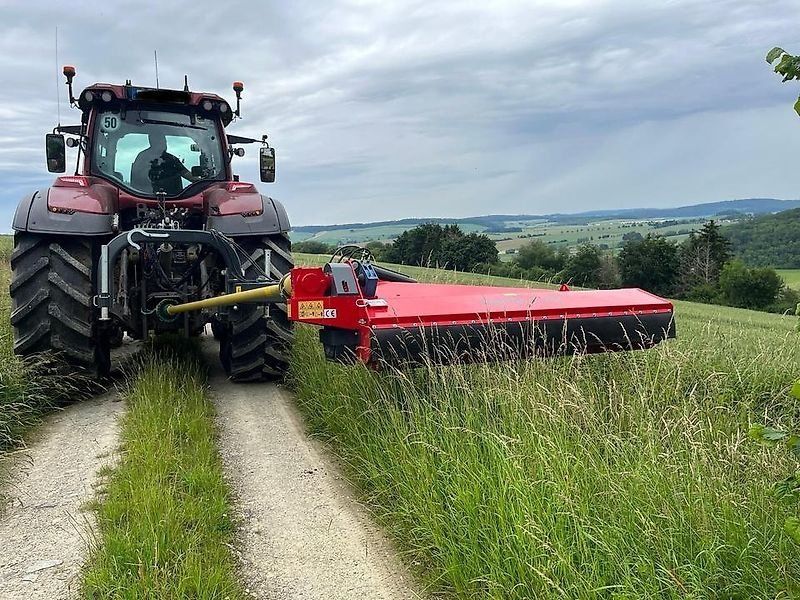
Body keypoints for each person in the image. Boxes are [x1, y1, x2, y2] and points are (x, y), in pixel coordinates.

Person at [130, 132, 197, 195]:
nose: (164, 143)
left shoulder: (172, 159)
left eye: (164, 140)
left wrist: (202, 181)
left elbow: (186, 174)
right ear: (152, 141)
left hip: (174, 198)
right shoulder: (143, 157)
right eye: (160, 140)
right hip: (145, 197)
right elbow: (136, 176)